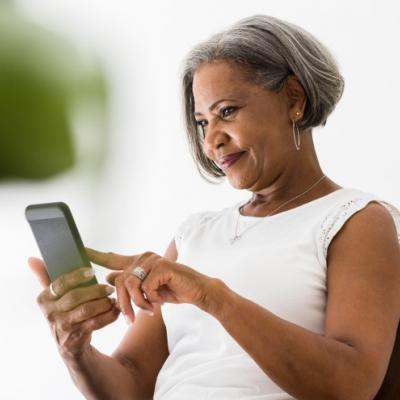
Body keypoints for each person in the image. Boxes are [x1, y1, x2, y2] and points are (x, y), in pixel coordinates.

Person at [28, 14, 400, 400]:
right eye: (202, 122)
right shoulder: (195, 233)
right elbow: (129, 383)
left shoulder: (356, 219)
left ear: (294, 98)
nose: (212, 142)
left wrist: (212, 296)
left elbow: (350, 384)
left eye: (227, 112)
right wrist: (76, 351)